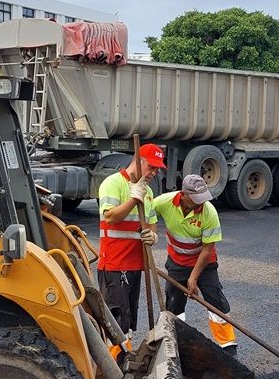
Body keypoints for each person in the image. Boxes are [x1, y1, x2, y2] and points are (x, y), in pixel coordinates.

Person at [153, 174, 235, 349]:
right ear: (183, 194)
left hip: (204, 263)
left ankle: (228, 346)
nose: (200, 203)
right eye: (196, 199)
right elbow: (146, 212)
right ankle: (177, 343)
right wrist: (147, 232)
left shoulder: (209, 212)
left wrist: (193, 278)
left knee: (215, 301)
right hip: (177, 261)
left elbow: (207, 250)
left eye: (203, 198)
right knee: (174, 303)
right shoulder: (164, 202)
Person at [98, 143, 164, 355]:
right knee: (116, 318)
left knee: (128, 317)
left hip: (135, 264)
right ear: (138, 160)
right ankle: (113, 367)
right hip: (115, 264)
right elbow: (110, 217)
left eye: (157, 169)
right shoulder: (113, 183)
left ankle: (125, 359)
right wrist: (134, 198)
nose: (154, 173)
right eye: (151, 167)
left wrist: (153, 235)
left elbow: (152, 222)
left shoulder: (149, 191)